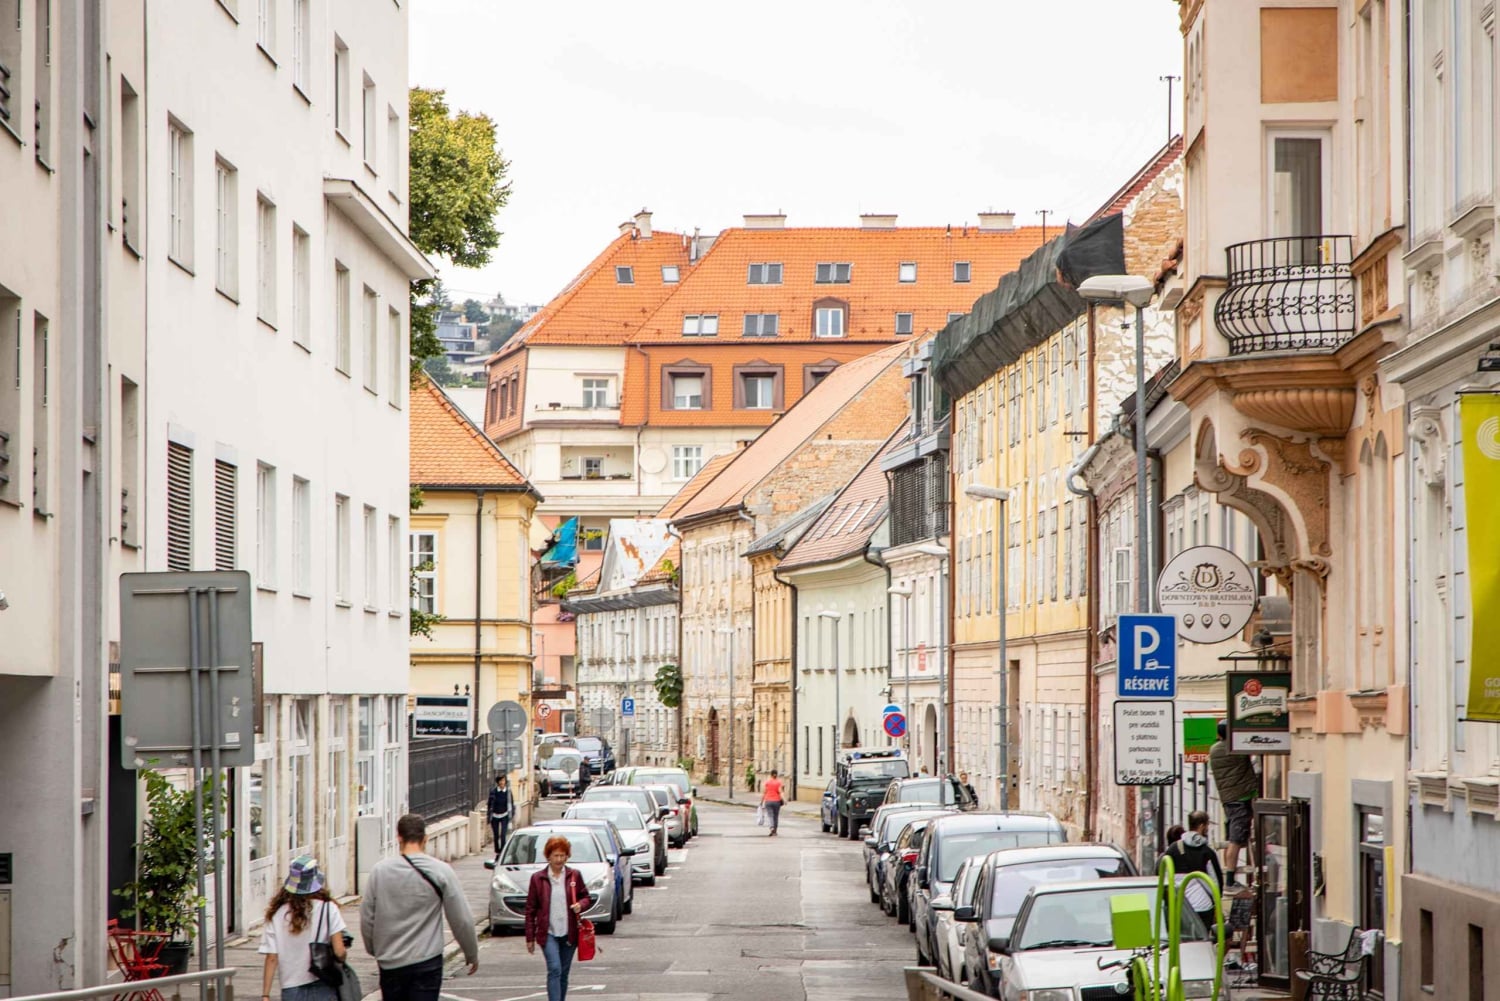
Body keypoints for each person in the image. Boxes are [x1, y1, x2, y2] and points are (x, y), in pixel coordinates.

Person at [361, 813, 479, 1001]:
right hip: (426, 959)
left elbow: (367, 918)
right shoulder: (441, 871)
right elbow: (461, 918)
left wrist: (375, 950)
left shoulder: (379, 872)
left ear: (398, 837)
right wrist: (471, 952)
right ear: (425, 838)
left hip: (391, 962)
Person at [260, 855, 347, 1001]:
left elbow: (272, 958)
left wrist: (265, 994)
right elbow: (339, 951)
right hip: (323, 982)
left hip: (291, 988)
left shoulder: (276, 914)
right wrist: (342, 958)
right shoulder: (328, 908)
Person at [525, 835, 595, 1001]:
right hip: (548, 932)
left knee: (563, 973)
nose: (559, 859)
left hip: (569, 933)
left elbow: (586, 897)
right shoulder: (538, 879)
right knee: (555, 969)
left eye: (562, 855)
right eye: (555, 855)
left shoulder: (574, 876)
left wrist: (580, 905)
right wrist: (530, 937)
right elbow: (530, 910)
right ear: (548, 856)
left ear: (567, 856)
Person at [1208, 720, 1261, 886]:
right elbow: (1253, 748)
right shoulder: (1235, 748)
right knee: (1236, 841)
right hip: (1241, 798)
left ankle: (1228, 876)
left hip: (1228, 799)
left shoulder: (1214, 749)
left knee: (1232, 838)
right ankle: (1230, 879)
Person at [1157, 810, 1224, 931]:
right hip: (1203, 906)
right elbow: (1216, 881)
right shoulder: (1207, 852)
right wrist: (1217, 904)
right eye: (1207, 825)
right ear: (1202, 826)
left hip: (1179, 905)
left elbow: (1164, 878)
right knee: (1202, 938)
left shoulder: (1173, 849)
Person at [488, 773, 514, 861]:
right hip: (495, 815)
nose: (502, 782)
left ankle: (502, 851)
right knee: (496, 835)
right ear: (498, 782)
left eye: (503, 780)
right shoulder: (494, 792)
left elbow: (511, 804)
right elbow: (489, 804)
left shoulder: (508, 792)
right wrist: (489, 816)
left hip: (504, 815)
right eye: (500, 781)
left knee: (503, 835)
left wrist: (511, 814)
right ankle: (497, 851)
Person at [761, 769, 784, 836]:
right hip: (777, 801)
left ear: (770, 775)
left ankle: (771, 827)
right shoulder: (779, 782)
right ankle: (775, 831)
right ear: (777, 775)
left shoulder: (767, 782)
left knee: (770, 815)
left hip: (768, 801)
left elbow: (764, 792)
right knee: (776, 816)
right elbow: (780, 792)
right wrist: (784, 800)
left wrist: (761, 801)